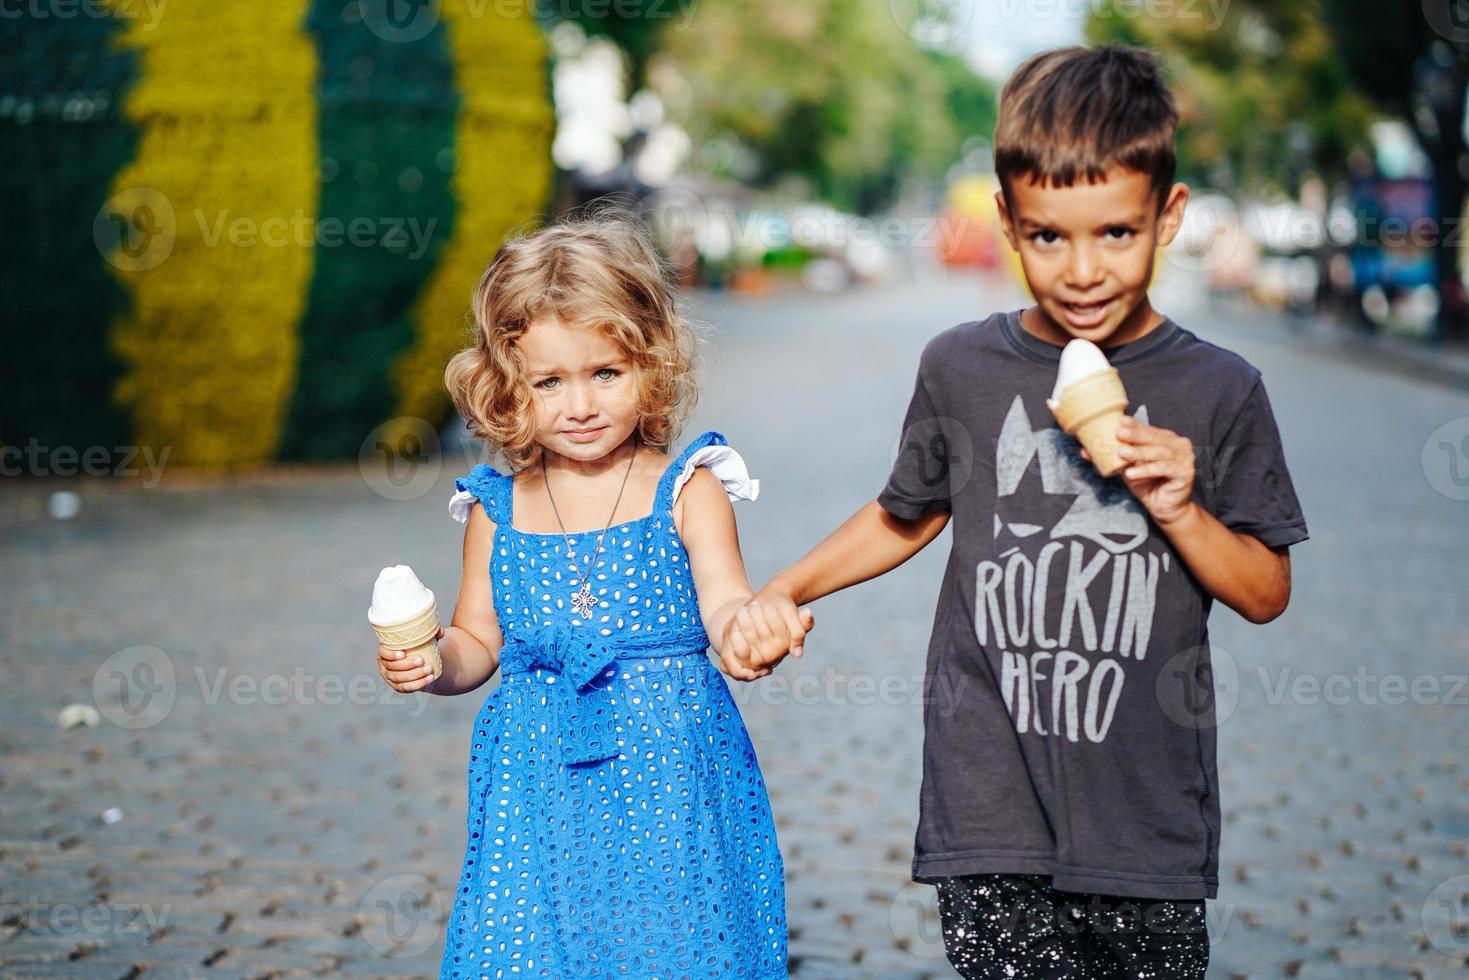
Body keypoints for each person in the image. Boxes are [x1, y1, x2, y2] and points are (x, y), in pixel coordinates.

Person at [728, 44, 1309, 978]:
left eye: (1115, 234)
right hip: (988, 811)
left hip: (1145, 823)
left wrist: (1180, 506)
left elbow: (1265, 590)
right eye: (1048, 237)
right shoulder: (960, 367)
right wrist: (782, 589)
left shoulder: (1219, 389)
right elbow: (904, 514)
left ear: (1169, 215)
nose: (1081, 270)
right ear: (1006, 219)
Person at [375, 211, 804, 979]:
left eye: (605, 373)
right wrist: (432, 662)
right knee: (535, 947)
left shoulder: (687, 489)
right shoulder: (494, 508)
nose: (579, 405)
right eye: (549, 382)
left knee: (675, 941)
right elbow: (478, 640)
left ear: (653, 364)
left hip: (671, 770)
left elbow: (724, 602)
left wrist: (751, 629)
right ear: (508, 387)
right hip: (536, 774)